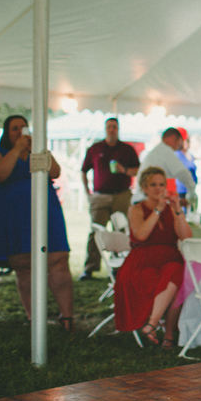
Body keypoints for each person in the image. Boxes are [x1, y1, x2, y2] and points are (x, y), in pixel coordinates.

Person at [0, 115, 74, 330]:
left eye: (23, 128)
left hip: (45, 210)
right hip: (15, 214)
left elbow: (55, 172)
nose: (20, 132)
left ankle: (67, 317)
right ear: (6, 132)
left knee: (58, 260)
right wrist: (17, 150)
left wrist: (39, 149)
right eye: (14, 128)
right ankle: (34, 318)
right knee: (24, 265)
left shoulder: (39, 150)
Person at [115, 167, 193, 348]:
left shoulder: (172, 208)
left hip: (170, 258)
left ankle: (158, 328)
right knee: (175, 275)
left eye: (162, 185)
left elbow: (186, 237)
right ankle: (160, 329)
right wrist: (158, 210)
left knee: (177, 272)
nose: (158, 189)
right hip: (141, 261)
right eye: (153, 185)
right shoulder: (136, 209)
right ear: (144, 187)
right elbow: (141, 235)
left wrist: (177, 210)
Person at [79, 117, 139, 281]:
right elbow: (83, 170)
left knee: (121, 231)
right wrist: (87, 193)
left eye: (114, 127)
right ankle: (89, 268)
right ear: (105, 129)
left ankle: (119, 267)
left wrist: (124, 170)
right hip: (100, 195)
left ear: (118, 129)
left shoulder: (127, 149)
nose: (112, 129)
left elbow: (137, 170)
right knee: (96, 231)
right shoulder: (95, 148)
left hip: (121, 194)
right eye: (109, 127)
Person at [134, 128, 197, 205]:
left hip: (147, 200)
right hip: (146, 201)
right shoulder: (165, 151)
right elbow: (183, 173)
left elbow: (170, 179)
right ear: (172, 138)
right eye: (179, 140)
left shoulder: (158, 152)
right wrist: (192, 191)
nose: (180, 144)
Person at [173, 128, 199, 205]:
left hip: (191, 189)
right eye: (185, 141)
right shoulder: (177, 154)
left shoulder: (190, 155)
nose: (187, 143)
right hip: (181, 190)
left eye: (188, 141)